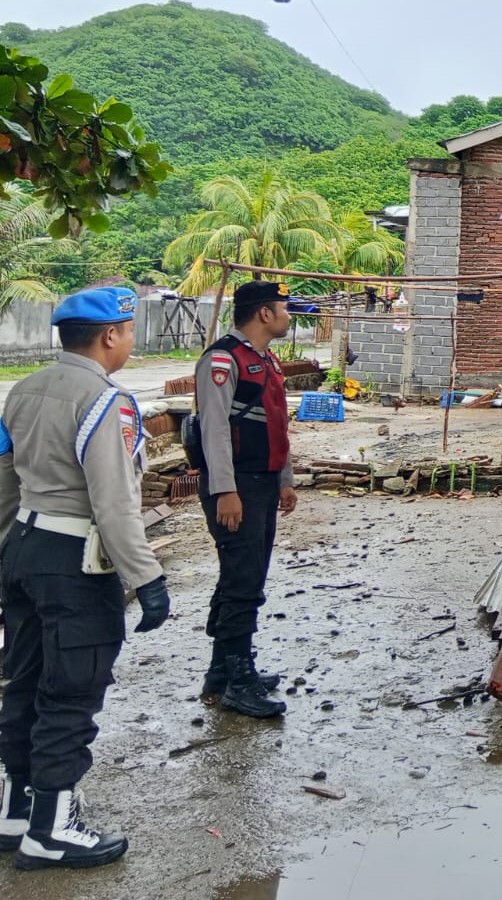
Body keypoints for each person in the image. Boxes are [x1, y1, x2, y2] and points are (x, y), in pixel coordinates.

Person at [0, 288, 171, 870]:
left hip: (23, 546)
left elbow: (4, 484)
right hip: (75, 559)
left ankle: (16, 811)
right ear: (108, 337)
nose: (126, 339)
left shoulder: (22, 391)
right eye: (126, 330)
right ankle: (51, 833)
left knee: (22, 681)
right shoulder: (105, 401)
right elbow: (114, 501)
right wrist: (146, 578)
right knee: (71, 690)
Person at [191, 280, 295, 719]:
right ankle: (238, 680)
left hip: (263, 481)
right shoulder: (223, 359)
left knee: (245, 576)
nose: (290, 315)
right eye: (285, 308)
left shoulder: (264, 359)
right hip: (238, 485)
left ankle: (222, 670)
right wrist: (226, 491)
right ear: (264, 314)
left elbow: (277, 424)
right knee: (242, 581)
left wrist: (285, 480)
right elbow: (213, 430)